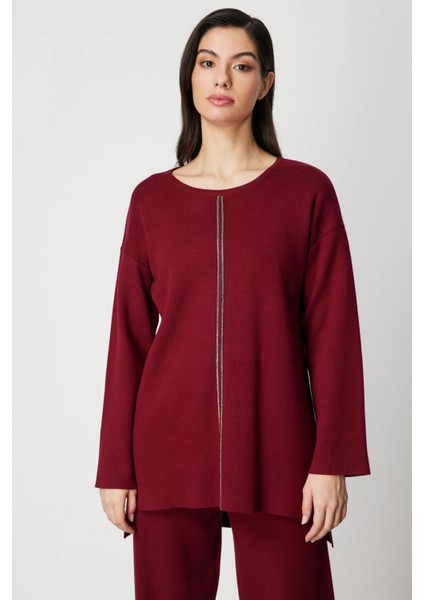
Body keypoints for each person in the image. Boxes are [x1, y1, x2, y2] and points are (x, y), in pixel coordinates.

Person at [94, 7, 371, 599]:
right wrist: (115, 467)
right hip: (166, 453)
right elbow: (128, 339)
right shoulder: (151, 201)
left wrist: (332, 461)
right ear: (190, 77)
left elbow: (334, 337)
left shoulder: (307, 192)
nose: (222, 78)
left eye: (241, 66)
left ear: (265, 83)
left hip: (281, 452)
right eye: (207, 63)